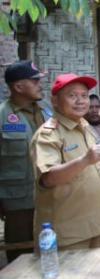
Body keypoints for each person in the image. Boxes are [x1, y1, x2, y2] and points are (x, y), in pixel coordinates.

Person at [31, 73, 100, 250]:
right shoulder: (48, 135)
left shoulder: (85, 126)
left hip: (93, 225)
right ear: (55, 101)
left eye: (84, 95)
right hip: (66, 233)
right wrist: (84, 160)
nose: (80, 101)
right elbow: (49, 178)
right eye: (72, 96)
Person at [0, 60, 50, 262]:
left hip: (51, 197)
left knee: (51, 250)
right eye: (35, 81)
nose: (40, 85)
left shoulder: (47, 110)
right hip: (18, 201)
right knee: (21, 257)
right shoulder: (3, 116)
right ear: (18, 86)